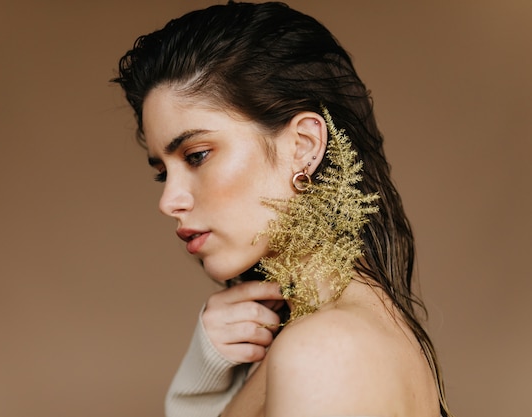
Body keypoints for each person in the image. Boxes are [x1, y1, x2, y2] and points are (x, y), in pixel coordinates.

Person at [112, 2, 453, 416]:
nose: (169, 202)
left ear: (303, 147)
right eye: (163, 173)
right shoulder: (333, 330)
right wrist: (202, 376)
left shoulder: (324, 351)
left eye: (197, 155)